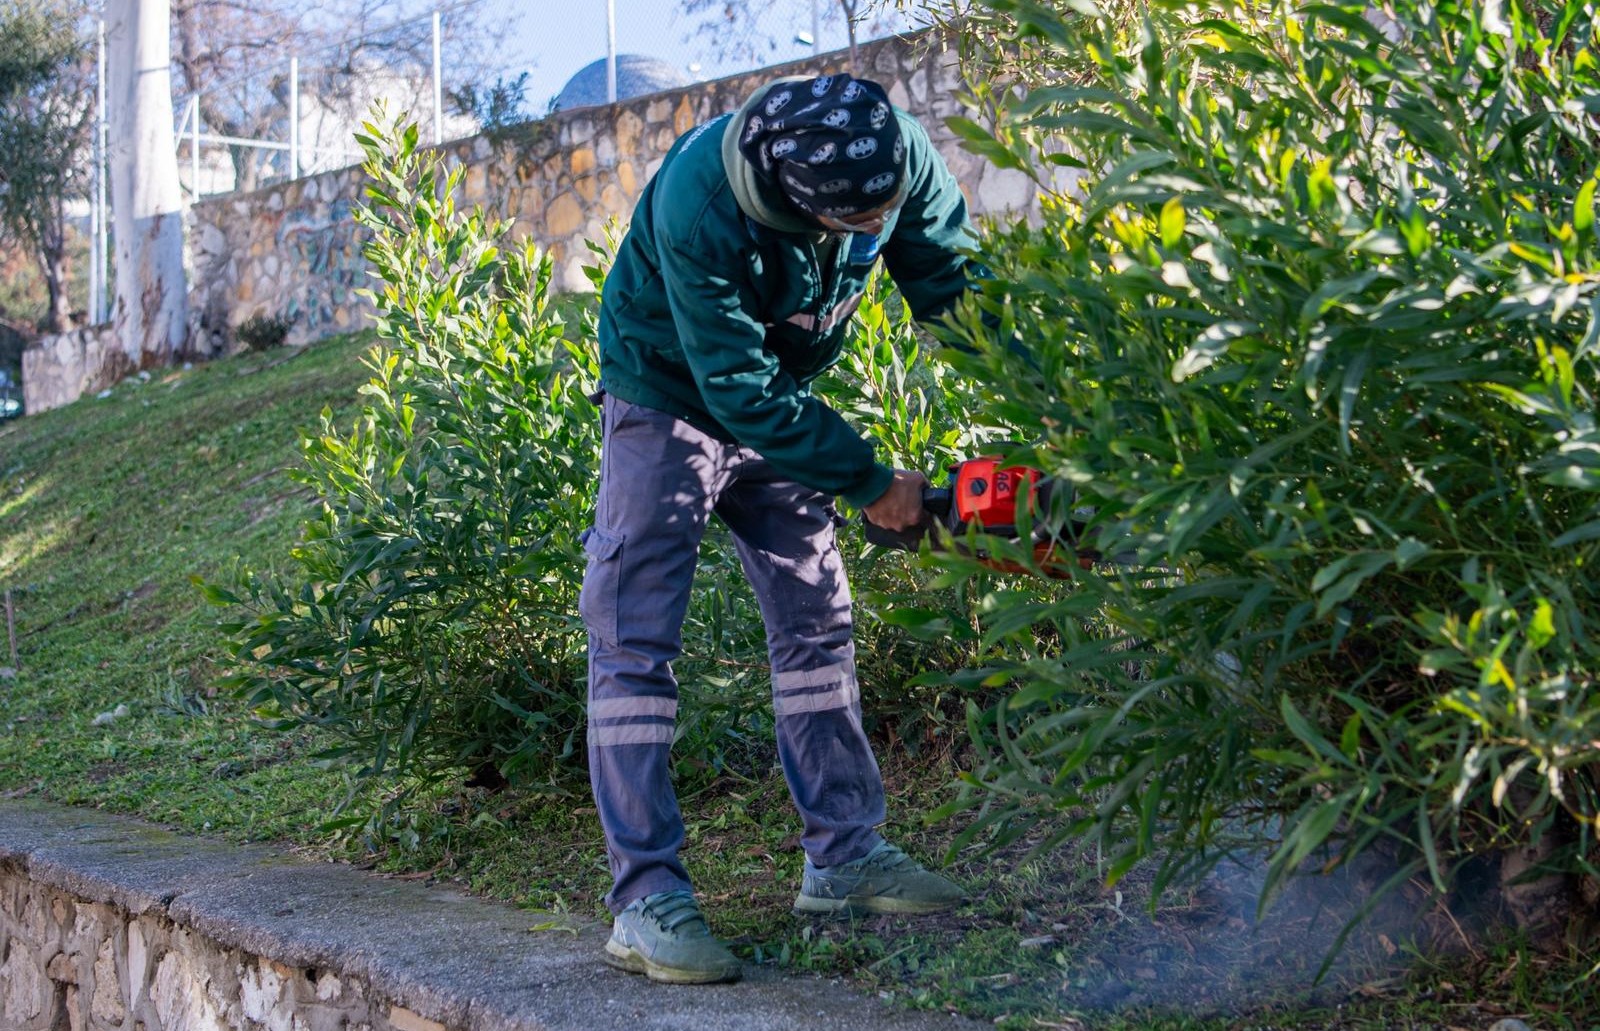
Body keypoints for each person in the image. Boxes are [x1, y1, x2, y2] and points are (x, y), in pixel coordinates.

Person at [582, 71, 983, 985]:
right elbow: (739, 390)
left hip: (778, 397)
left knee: (817, 618)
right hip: (668, 392)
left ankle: (844, 857)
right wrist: (872, 480)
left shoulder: (887, 152)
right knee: (635, 640)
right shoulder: (703, 203)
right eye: (855, 231)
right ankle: (645, 898)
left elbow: (952, 281)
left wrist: (1036, 390)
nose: (876, 237)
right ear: (797, 211)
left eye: (883, 217)